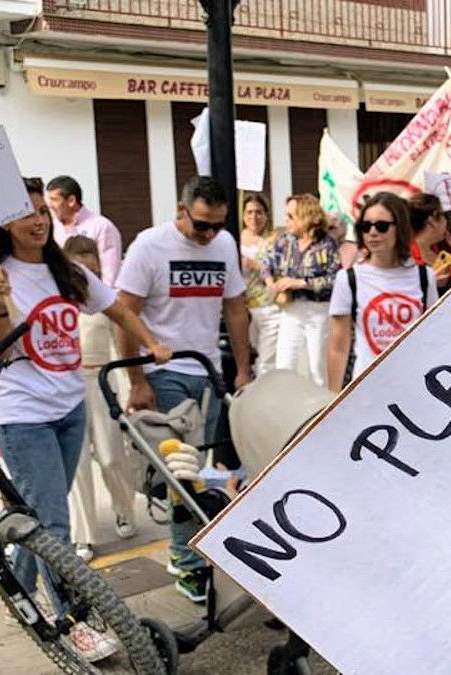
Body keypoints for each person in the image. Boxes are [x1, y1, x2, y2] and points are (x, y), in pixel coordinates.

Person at [0, 177, 170, 662]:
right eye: (27, 213)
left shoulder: (67, 272)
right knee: (53, 526)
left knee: (40, 515)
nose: (38, 220)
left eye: (42, 211)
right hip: (24, 415)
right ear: (4, 225)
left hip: (69, 405)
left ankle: (17, 591)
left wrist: (150, 342)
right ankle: (72, 621)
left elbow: (117, 308)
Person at [116, 175, 251, 603]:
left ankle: (196, 545)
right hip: (165, 371)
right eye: (201, 226)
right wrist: (136, 381)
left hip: (208, 370)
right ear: (180, 211)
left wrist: (243, 370)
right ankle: (185, 559)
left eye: (217, 226)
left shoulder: (225, 245)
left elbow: (235, 308)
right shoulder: (148, 247)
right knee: (186, 471)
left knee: (203, 469)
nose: (209, 235)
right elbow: (124, 313)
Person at [62, 236, 138, 563]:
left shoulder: (105, 300)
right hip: (67, 387)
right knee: (76, 465)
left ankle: (124, 508)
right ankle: (84, 534)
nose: (87, 274)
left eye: (92, 267)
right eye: (80, 268)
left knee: (110, 457)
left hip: (101, 382)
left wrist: (123, 390)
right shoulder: (57, 301)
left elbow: (119, 348)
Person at [327, 192, 438, 392]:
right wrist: (331, 401)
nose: (372, 233)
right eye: (365, 226)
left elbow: (433, 337)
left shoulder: (424, 276)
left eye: (382, 226)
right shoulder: (348, 279)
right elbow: (339, 347)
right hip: (367, 390)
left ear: (400, 228)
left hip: (416, 387)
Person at [263, 194, 339, 385]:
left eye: (291, 216)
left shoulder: (326, 243)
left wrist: (300, 283)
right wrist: (271, 282)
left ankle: (320, 409)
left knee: (317, 366)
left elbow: (335, 278)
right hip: (291, 309)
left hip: (318, 310)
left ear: (304, 217)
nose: (286, 221)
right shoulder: (285, 241)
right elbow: (266, 262)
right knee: (286, 363)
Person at [47, 176, 123, 286]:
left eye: (54, 200)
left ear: (71, 201)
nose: (50, 205)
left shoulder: (101, 226)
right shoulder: (52, 227)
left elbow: (110, 275)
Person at [240, 193, 280, 377]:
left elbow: (280, 267)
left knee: (266, 360)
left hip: (268, 307)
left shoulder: (274, 240)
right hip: (241, 309)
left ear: (266, 214)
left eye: (258, 212)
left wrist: (255, 264)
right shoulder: (234, 238)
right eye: (249, 212)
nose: (253, 217)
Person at [409, 193, 451, 291]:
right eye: (443, 215)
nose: (446, 220)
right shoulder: (406, 259)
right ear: (431, 219)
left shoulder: (441, 248)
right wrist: (430, 285)